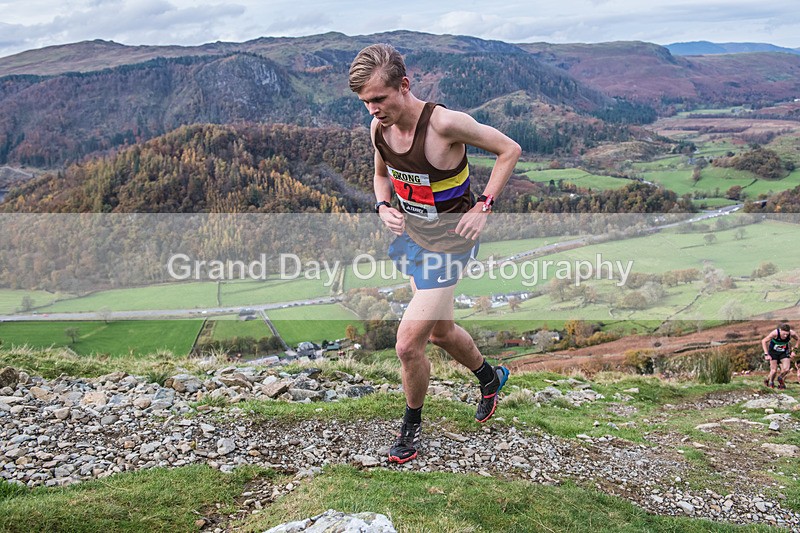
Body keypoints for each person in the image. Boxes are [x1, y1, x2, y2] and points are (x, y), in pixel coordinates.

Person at [349, 44, 522, 464]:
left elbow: (510, 150)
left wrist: (484, 206)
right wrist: (383, 206)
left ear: (404, 86)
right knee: (441, 332)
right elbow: (380, 176)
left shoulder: (444, 124)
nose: (372, 109)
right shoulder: (379, 129)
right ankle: (490, 377)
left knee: (408, 345)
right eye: (366, 102)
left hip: (451, 245)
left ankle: (410, 428)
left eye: (379, 98)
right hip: (415, 241)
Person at [761, 323, 798, 389]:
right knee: (774, 371)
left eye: (787, 334)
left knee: (786, 369)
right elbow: (763, 341)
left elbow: (798, 339)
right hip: (773, 352)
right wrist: (766, 354)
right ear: (780, 330)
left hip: (784, 352)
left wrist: (794, 350)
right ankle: (770, 381)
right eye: (784, 334)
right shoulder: (775, 333)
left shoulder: (792, 333)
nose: (785, 336)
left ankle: (780, 378)